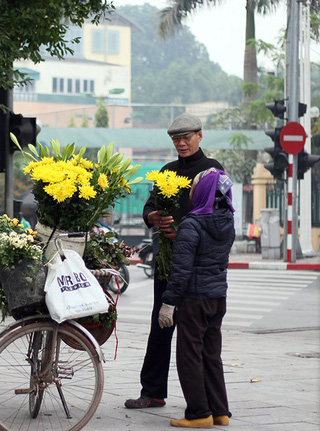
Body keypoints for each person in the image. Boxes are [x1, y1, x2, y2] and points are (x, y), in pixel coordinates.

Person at [125, 113, 224, 409]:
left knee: (198, 336)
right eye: (176, 139)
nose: (181, 143)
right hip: (167, 263)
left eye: (186, 137)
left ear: (200, 136)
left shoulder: (213, 171)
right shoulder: (166, 172)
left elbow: (220, 219)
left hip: (197, 265)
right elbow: (150, 207)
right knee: (160, 326)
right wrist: (152, 217)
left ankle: (205, 401)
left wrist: (183, 233)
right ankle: (153, 391)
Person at [160, 168, 234, 428]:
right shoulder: (227, 221)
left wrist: (168, 303)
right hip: (217, 297)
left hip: (194, 299)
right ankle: (220, 411)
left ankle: (199, 414)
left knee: (189, 355)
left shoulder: (192, 224)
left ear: (202, 192)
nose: (190, 191)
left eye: (193, 187)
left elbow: (181, 271)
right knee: (211, 354)